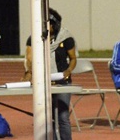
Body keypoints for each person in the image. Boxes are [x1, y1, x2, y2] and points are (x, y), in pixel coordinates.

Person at [23, 8, 76, 140]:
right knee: (47, 116)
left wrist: (68, 71)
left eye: (49, 24)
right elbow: (29, 58)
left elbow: (73, 58)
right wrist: (29, 72)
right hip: (43, 82)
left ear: (55, 24)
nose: (45, 26)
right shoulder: (34, 38)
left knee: (63, 116)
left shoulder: (66, 37)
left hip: (62, 81)